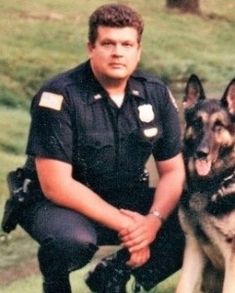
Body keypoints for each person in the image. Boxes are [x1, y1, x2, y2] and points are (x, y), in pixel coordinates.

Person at [17, 3, 185, 293]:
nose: (118, 52)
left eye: (126, 44)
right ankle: (55, 282)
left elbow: (173, 172)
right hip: (58, 204)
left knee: (193, 217)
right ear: (90, 48)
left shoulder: (154, 93)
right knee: (72, 241)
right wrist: (131, 228)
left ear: (138, 50)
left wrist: (153, 222)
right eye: (107, 43)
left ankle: (113, 274)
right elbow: (57, 185)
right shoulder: (59, 95)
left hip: (123, 196)